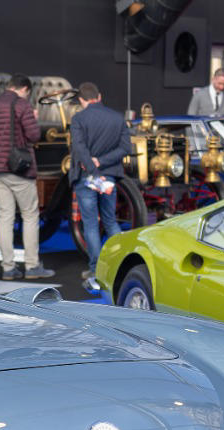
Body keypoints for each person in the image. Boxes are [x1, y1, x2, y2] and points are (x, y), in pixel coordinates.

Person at [0, 74, 51, 281]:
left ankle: (8, 268)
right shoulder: (22, 105)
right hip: (20, 170)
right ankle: (32, 266)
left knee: (5, 217)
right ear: (25, 89)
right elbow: (34, 135)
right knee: (29, 215)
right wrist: (34, 118)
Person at [69, 81, 131, 290]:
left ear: (81, 100)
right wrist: (102, 163)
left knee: (91, 224)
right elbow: (125, 148)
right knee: (111, 221)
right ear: (100, 96)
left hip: (87, 177)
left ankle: (96, 269)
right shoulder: (117, 118)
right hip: (110, 176)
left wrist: (93, 167)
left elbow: (79, 148)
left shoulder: (78, 119)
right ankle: (121, 263)